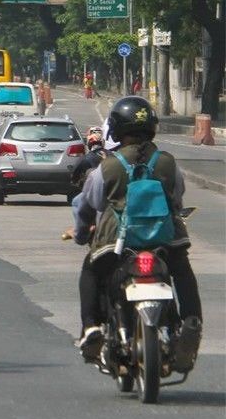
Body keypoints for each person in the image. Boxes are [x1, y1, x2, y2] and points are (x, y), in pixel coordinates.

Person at [72, 96, 202, 370]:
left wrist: (82, 233)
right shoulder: (167, 162)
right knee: (182, 270)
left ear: (117, 130)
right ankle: (192, 321)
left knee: (91, 271)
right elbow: (177, 199)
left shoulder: (107, 167)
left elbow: (90, 203)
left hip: (116, 243)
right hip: (167, 239)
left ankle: (91, 327)